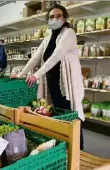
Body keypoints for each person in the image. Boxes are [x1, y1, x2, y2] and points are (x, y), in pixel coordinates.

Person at [11, 5, 84, 150]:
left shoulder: (69, 33)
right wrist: (20, 74)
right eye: (51, 16)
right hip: (53, 83)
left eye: (58, 16)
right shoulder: (48, 37)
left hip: (66, 84)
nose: (55, 19)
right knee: (58, 115)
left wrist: (36, 75)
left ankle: (78, 149)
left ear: (64, 18)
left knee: (71, 115)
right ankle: (65, 147)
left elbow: (56, 56)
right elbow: (35, 59)